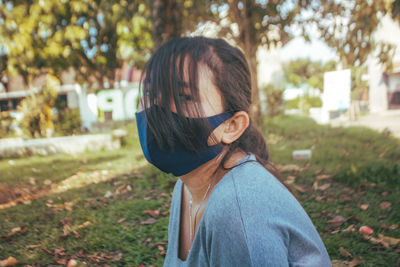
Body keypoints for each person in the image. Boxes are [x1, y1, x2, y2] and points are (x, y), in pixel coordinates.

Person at [135, 36, 332, 266]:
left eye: (184, 97)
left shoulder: (236, 210)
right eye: (150, 93)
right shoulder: (187, 185)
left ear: (232, 126)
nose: (156, 109)